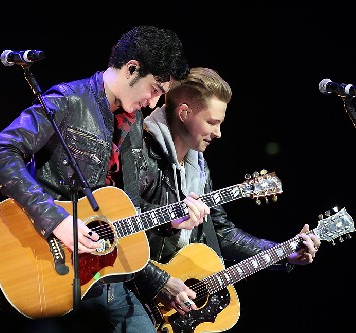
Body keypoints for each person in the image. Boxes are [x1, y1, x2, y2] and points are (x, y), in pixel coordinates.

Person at [0, 26, 210, 333]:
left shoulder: (133, 124)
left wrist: (172, 218)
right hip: (51, 268)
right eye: (155, 89)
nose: (154, 103)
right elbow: (0, 152)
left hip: (109, 278)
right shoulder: (68, 100)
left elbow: (125, 209)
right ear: (132, 69)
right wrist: (57, 220)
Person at [129, 67, 322, 324]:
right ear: (184, 113)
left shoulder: (199, 166)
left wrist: (283, 252)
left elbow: (220, 231)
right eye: (212, 122)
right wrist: (160, 281)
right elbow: (118, 229)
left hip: (176, 304)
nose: (219, 133)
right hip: (134, 293)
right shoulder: (137, 151)